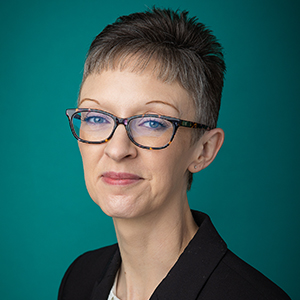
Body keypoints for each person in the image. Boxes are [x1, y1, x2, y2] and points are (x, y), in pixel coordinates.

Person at [58, 7, 290, 300]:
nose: (117, 150)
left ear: (203, 150)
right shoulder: (80, 277)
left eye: (153, 122)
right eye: (95, 117)